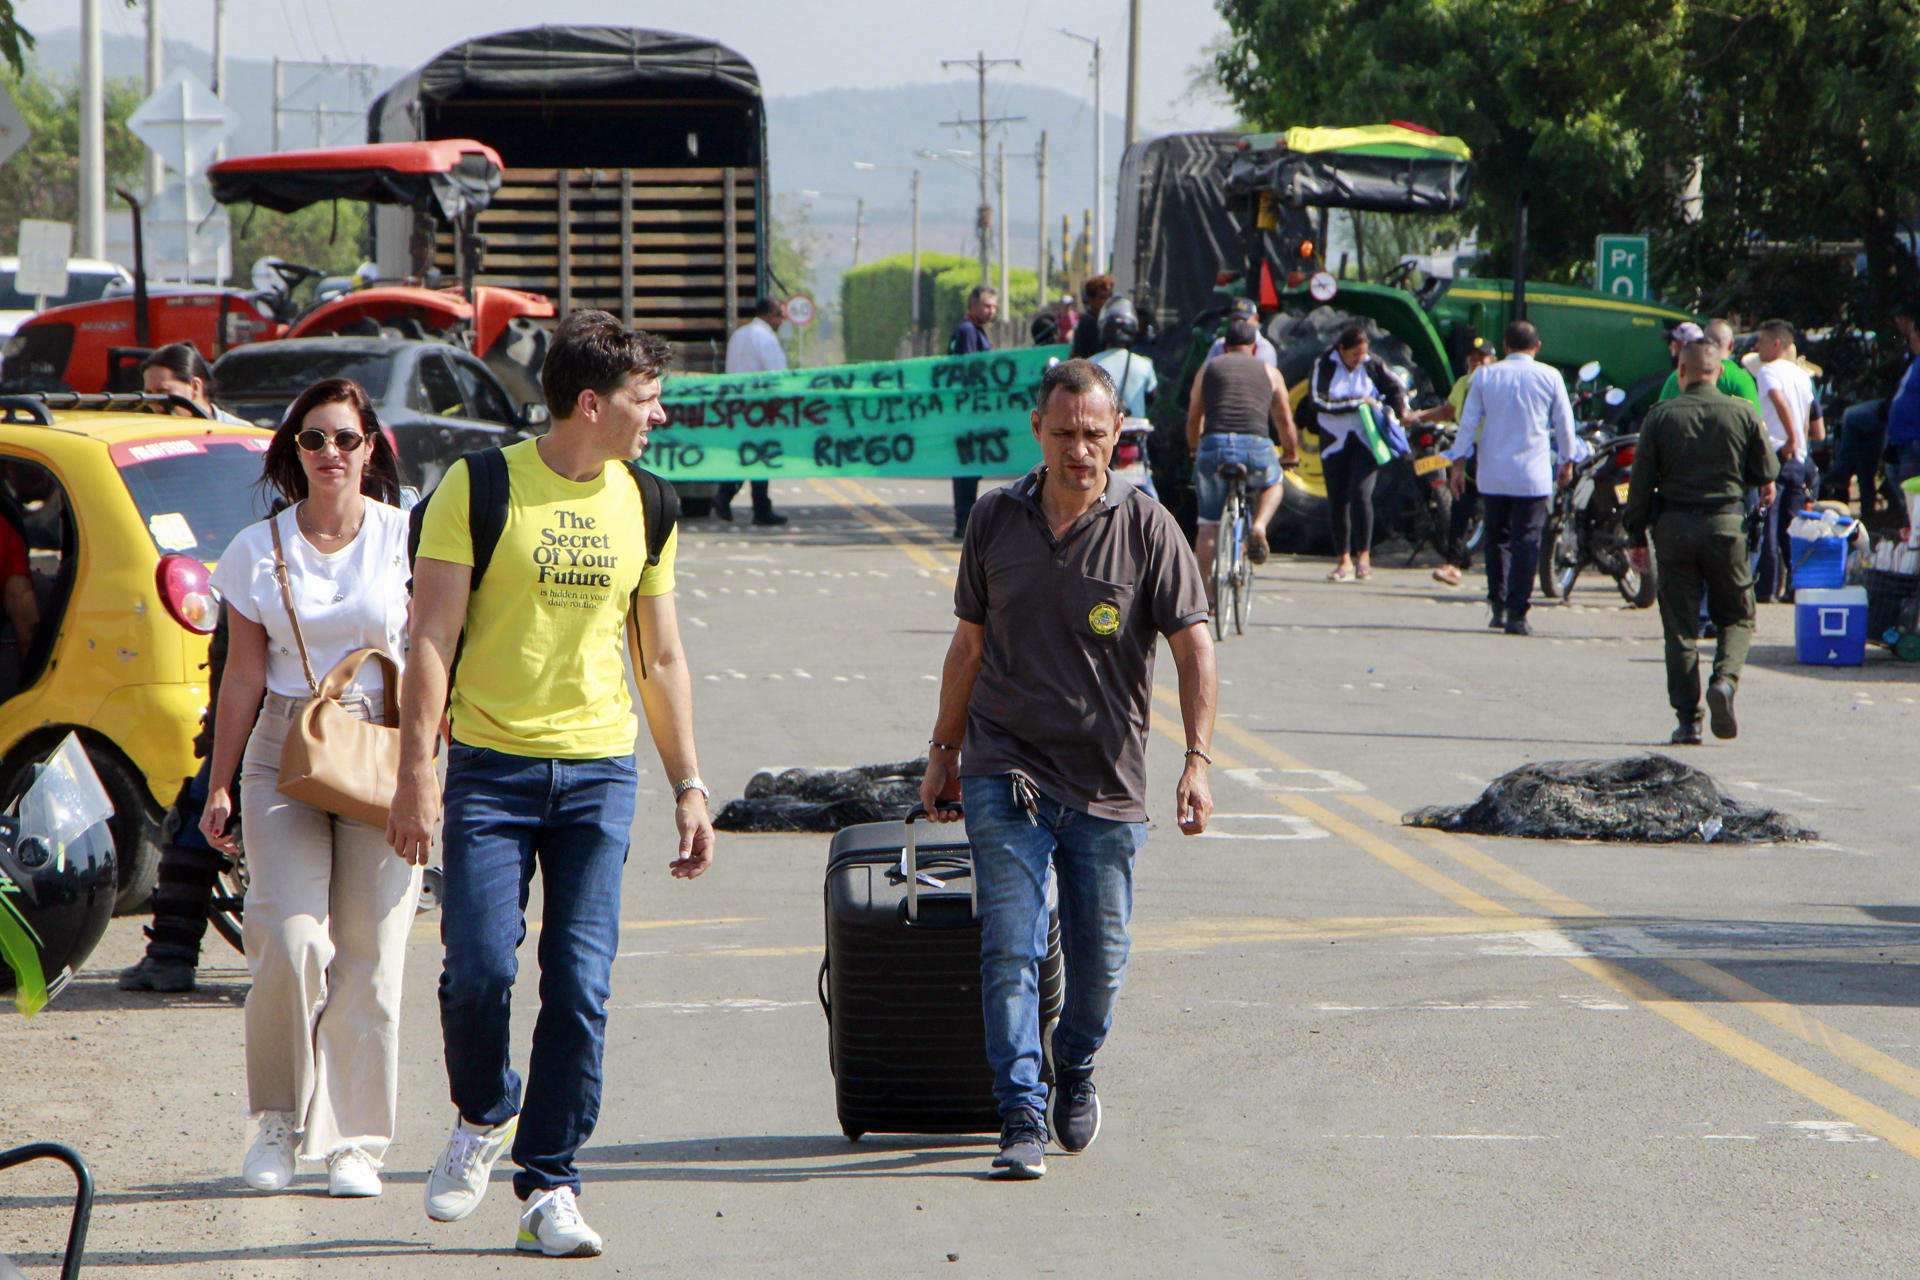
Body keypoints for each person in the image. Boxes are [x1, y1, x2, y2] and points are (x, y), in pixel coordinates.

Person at [392, 310, 714, 1259]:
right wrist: (418, 773)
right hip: (490, 770)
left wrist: (690, 784)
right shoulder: (479, 486)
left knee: (579, 985)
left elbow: (659, 657)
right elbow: (431, 640)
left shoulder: (649, 502)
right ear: (590, 404)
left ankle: (551, 1182)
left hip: (598, 771)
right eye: (645, 402)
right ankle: (485, 1111)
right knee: (479, 970)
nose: (657, 419)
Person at [919, 357, 1216, 1181]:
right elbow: (969, 648)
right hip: (1004, 769)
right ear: (1038, 433)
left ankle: (1074, 1065)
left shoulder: (1148, 526)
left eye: (1093, 434)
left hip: (1107, 784)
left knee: (1100, 963)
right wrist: (942, 755)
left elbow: (1195, 646)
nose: (1078, 450)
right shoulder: (993, 520)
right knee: (1008, 945)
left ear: (1116, 434)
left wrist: (1196, 758)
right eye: (1063, 433)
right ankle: (1018, 1112)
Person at [200, 377, 416, 1198]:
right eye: (315, 439)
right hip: (283, 748)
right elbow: (242, 679)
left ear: (370, 450)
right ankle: (278, 1125)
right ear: (295, 452)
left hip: (381, 744)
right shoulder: (257, 550)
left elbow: (432, 658)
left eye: (347, 439)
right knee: (290, 944)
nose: (332, 453)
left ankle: (355, 1141)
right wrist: (218, 786)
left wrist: (427, 772)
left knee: (372, 957)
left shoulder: (405, 537)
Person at [1622, 340, 1779, 743]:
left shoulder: (1659, 417)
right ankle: (1724, 681)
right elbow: (1766, 470)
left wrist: (1635, 535)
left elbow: (1639, 486)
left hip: (1673, 529)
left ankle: (1688, 721)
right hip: (1727, 526)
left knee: (1679, 627)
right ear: (1721, 372)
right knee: (1738, 616)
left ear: (1681, 373)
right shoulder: (1743, 412)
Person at [1445, 320, 1585, 635]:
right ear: (1537, 347)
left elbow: (1467, 423)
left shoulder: (1484, 376)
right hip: (1531, 476)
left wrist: (1457, 465)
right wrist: (1567, 461)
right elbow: (1565, 423)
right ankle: (1518, 613)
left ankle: (1498, 605)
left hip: (1492, 473)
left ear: (1505, 347)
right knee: (1527, 542)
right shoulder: (1550, 376)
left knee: (1497, 539)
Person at [1187, 318, 1298, 593]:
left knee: (1208, 525)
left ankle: (1207, 595)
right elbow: (1284, 420)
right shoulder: (1270, 372)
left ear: (1224, 346)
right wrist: (1291, 455)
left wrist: (1194, 449)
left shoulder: (1208, 369)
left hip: (1214, 446)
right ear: (1255, 347)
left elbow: (1193, 418)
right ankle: (1258, 526)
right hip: (1256, 446)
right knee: (1273, 483)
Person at [1311, 326, 1409, 582]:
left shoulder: (1372, 363)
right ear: (1341, 350)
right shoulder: (1325, 364)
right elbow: (1319, 400)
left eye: (1363, 354)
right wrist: (1357, 402)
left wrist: (1397, 412)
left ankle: (1364, 556)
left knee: (1361, 495)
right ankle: (1343, 558)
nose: (1359, 359)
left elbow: (1395, 388)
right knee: (1338, 499)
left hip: (1367, 440)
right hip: (1334, 440)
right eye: (1354, 354)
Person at [1407, 334, 1497, 586]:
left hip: (1497, 452)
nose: (1477, 362)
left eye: (1482, 358)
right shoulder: (1463, 383)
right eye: (1472, 358)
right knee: (1461, 504)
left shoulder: (1499, 382)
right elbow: (1447, 411)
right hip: (1471, 452)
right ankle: (1453, 563)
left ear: (1494, 359)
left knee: (1499, 509)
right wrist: (1419, 416)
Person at [1751, 319, 1824, 602]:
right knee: (1792, 528)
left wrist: (1791, 439)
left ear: (1776, 344)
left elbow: (1779, 402)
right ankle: (1796, 587)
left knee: (1768, 523)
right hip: (1797, 460)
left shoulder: (1769, 372)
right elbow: (1806, 417)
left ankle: (1766, 589)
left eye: (1761, 341)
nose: (1757, 347)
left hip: (1777, 453)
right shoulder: (1802, 377)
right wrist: (1801, 446)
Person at [713, 298, 789, 526]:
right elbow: (777, 374)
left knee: (745, 453)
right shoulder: (765, 338)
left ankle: (742, 501)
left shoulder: (739, 334)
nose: (782, 322)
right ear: (771, 315)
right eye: (781, 316)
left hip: (737, 406)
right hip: (761, 408)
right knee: (760, 455)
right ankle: (749, 504)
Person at [948, 285, 998, 538]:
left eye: (994, 307)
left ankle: (965, 519)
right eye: (987, 306)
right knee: (967, 467)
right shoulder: (968, 331)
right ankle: (964, 520)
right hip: (968, 414)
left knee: (971, 466)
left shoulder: (974, 331)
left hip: (971, 414)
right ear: (973, 306)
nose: (991, 311)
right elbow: (969, 371)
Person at [1655, 320, 1760, 410]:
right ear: (1731, 344)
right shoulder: (1741, 379)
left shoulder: (1678, 376)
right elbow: (1755, 422)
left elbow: (1659, 417)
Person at [140, 343, 251, 424]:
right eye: (149, 394)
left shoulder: (242, 436)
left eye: (163, 393)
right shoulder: (150, 440)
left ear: (195, 387)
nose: (155, 404)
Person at [1885, 298, 1920, 504]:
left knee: (1913, 501)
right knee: (1905, 495)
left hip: (1915, 440)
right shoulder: (1914, 361)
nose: (1910, 338)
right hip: (1902, 441)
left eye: (1914, 333)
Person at [1204, 297, 1279, 367]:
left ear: (1256, 319)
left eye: (1244, 320)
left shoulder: (1264, 349)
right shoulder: (1219, 345)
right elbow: (1203, 375)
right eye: (1235, 320)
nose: (1239, 324)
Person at [1070, 275, 1113, 359]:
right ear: (1090, 299)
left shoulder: (1109, 320)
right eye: (1102, 297)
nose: (1107, 301)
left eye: (1109, 296)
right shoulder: (1087, 322)